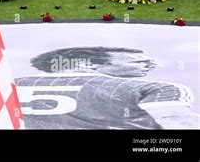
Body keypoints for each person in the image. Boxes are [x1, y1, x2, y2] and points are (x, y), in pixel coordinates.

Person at [16, 47, 198, 129]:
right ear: (86, 64)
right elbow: (181, 128)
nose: (151, 64)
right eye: (139, 60)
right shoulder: (155, 88)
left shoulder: (1, 83)